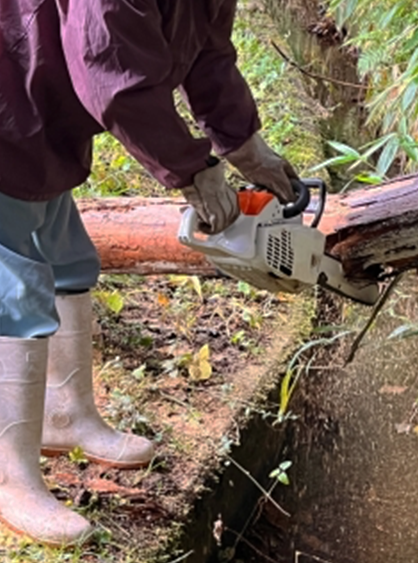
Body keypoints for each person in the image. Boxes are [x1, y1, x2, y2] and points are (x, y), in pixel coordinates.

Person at [0, 0, 299, 546]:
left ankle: (67, 413)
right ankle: (10, 478)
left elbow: (208, 53)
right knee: (15, 289)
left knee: (69, 261)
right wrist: (191, 171)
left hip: (43, 112)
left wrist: (245, 144)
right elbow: (114, 75)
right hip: (10, 104)